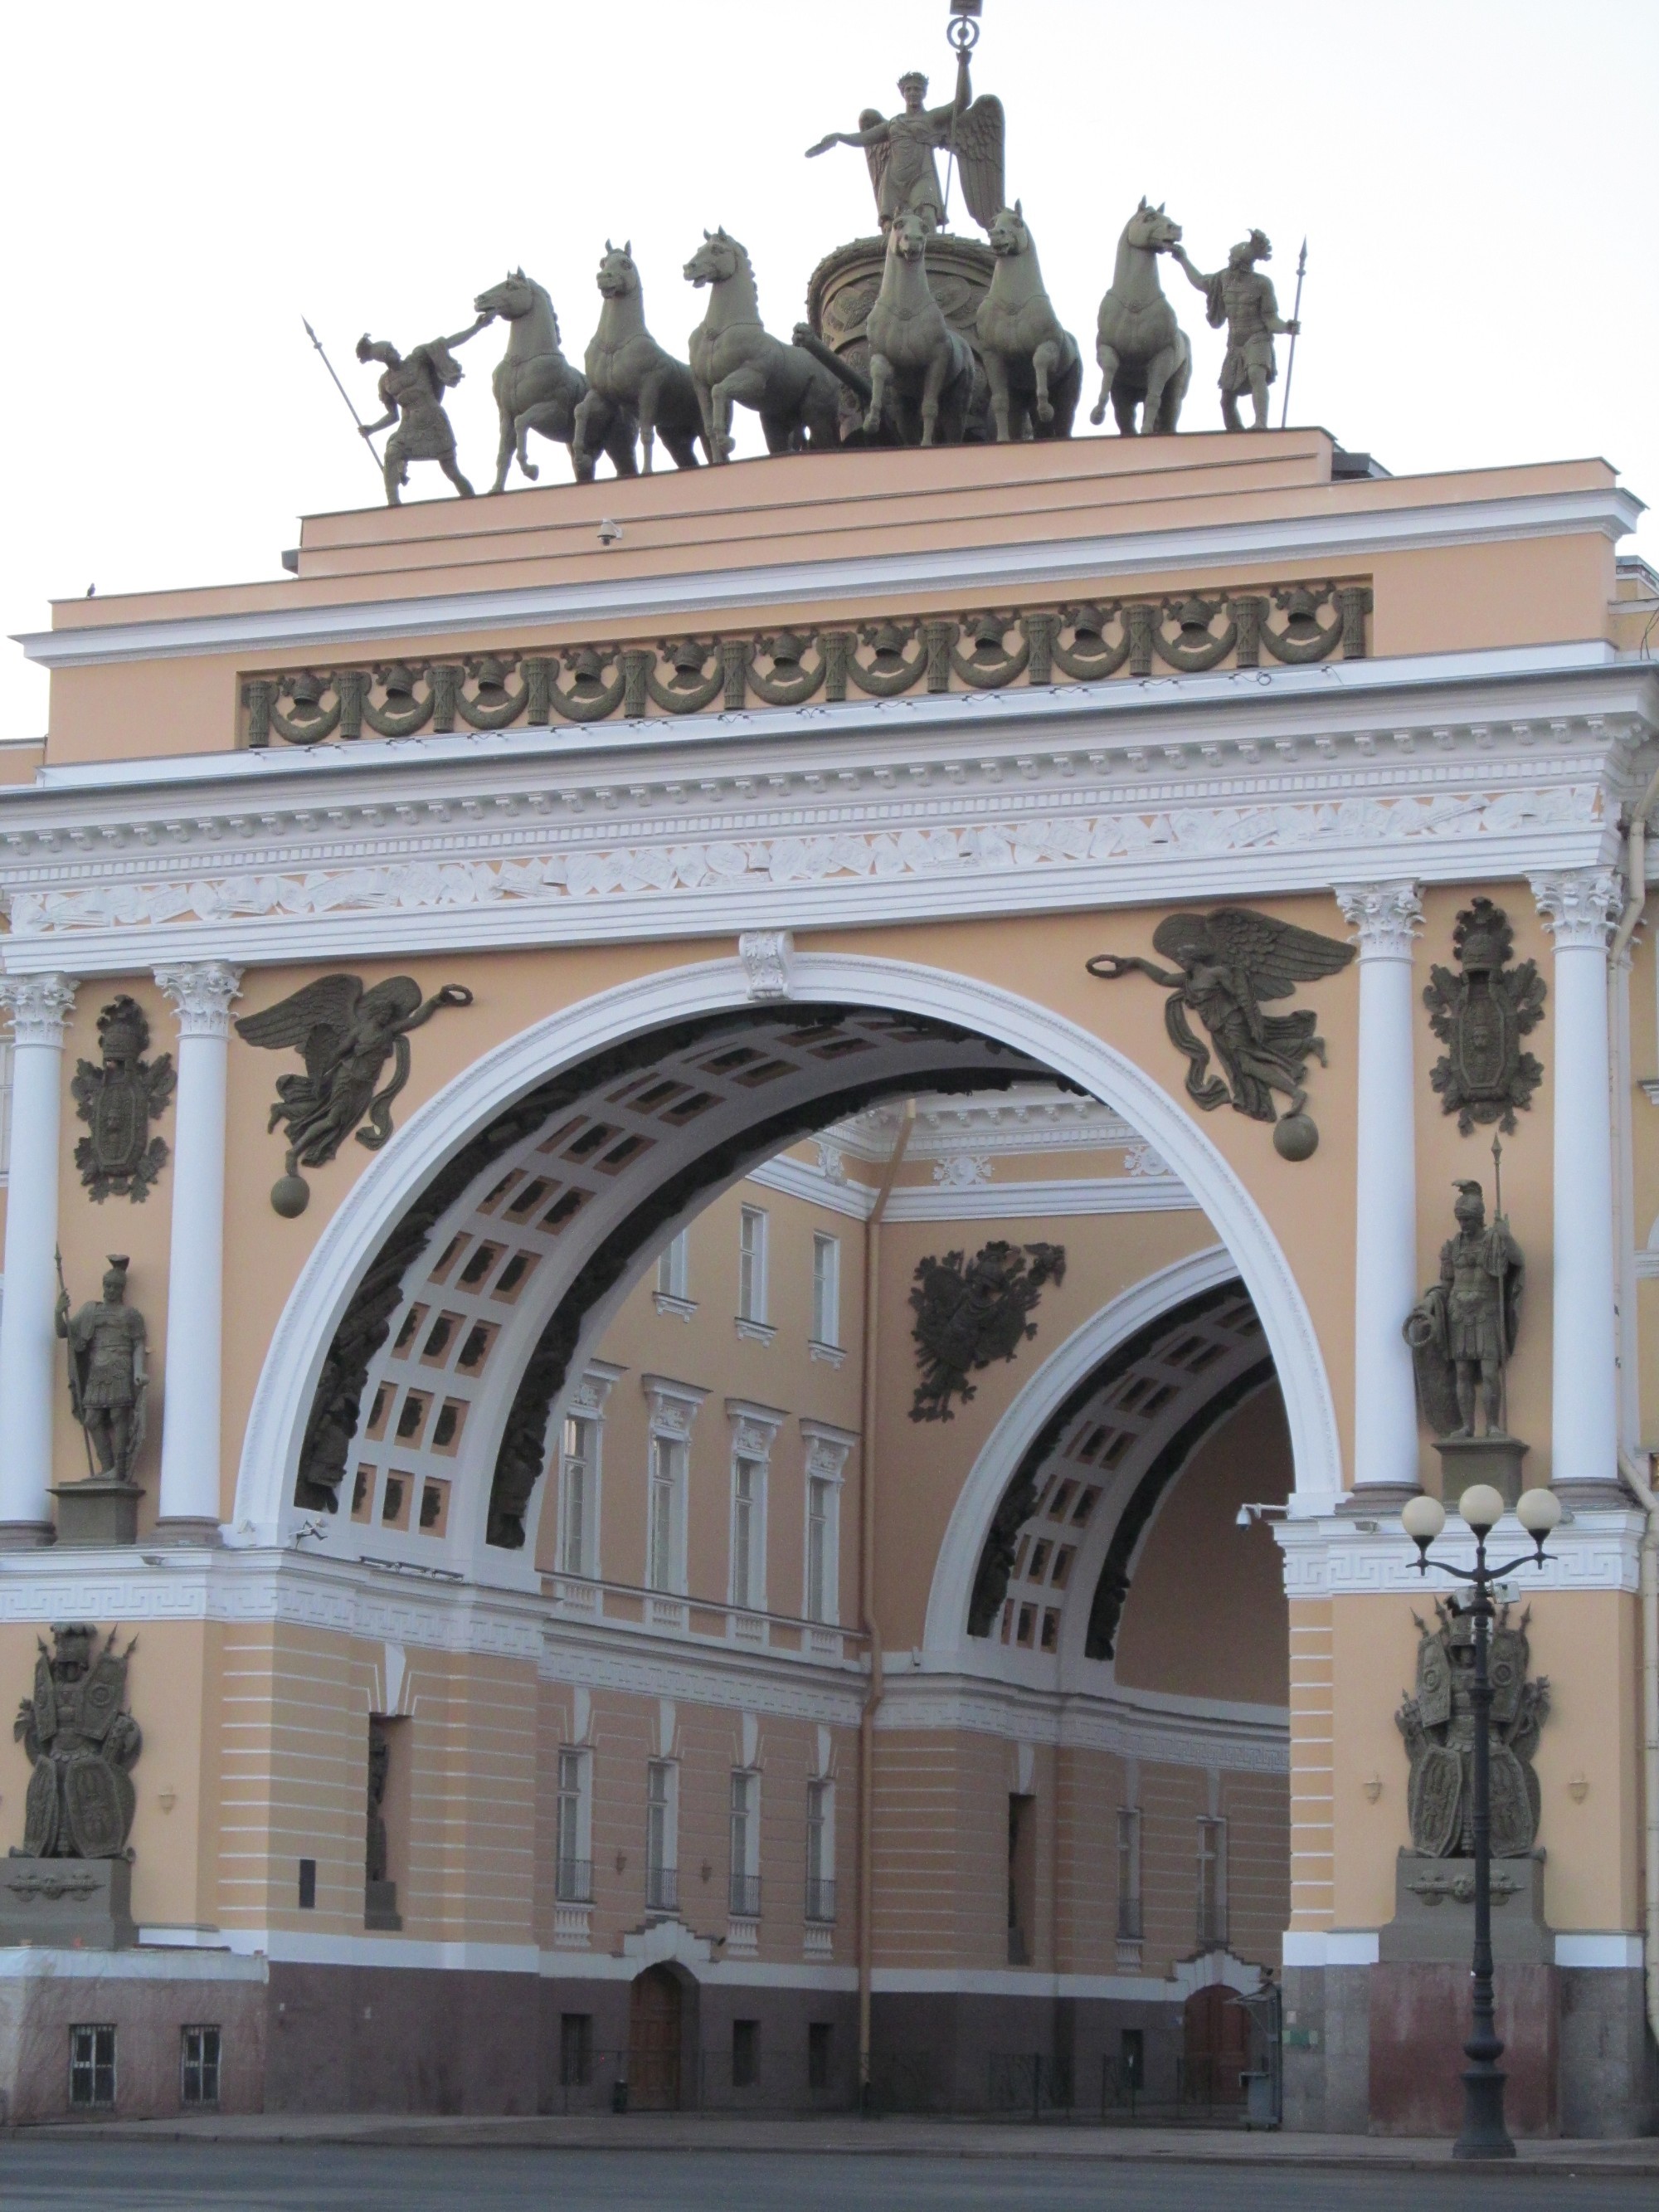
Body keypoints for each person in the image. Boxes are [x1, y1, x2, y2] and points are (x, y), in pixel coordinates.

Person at [1169, 230, 1298, 431]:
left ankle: (1260, 423)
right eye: (1231, 259)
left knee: (1256, 374)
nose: (1231, 263)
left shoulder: (1262, 284)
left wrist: (1286, 327)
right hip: (1235, 343)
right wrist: (1183, 259)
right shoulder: (1223, 279)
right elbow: (1200, 281)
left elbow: (1271, 319)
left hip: (1257, 338)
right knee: (1226, 398)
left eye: (1234, 260)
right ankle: (1235, 434)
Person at [356, 316, 489, 504]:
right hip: (409, 427)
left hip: (434, 421)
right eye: (390, 352)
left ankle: (475, 505)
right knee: (391, 454)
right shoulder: (385, 382)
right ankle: (393, 506)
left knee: (452, 471)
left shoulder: (417, 359)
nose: (396, 352)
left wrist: (477, 327)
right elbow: (393, 416)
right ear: (384, 359)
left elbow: (447, 343)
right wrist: (372, 428)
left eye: (393, 348)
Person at [56, 1255, 147, 1484]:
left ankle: (120, 1470)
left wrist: (138, 1371)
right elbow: (64, 1332)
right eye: (107, 1285)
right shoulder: (91, 1311)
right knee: (93, 1419)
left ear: (122, 1289)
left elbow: (138, 1344)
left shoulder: (131, 1314)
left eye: (115, 1287)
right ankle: (108, 1468)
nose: (110, 1290)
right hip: (98, 1369)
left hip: (120, 1365)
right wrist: (59, 1311)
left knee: (118, 1415)